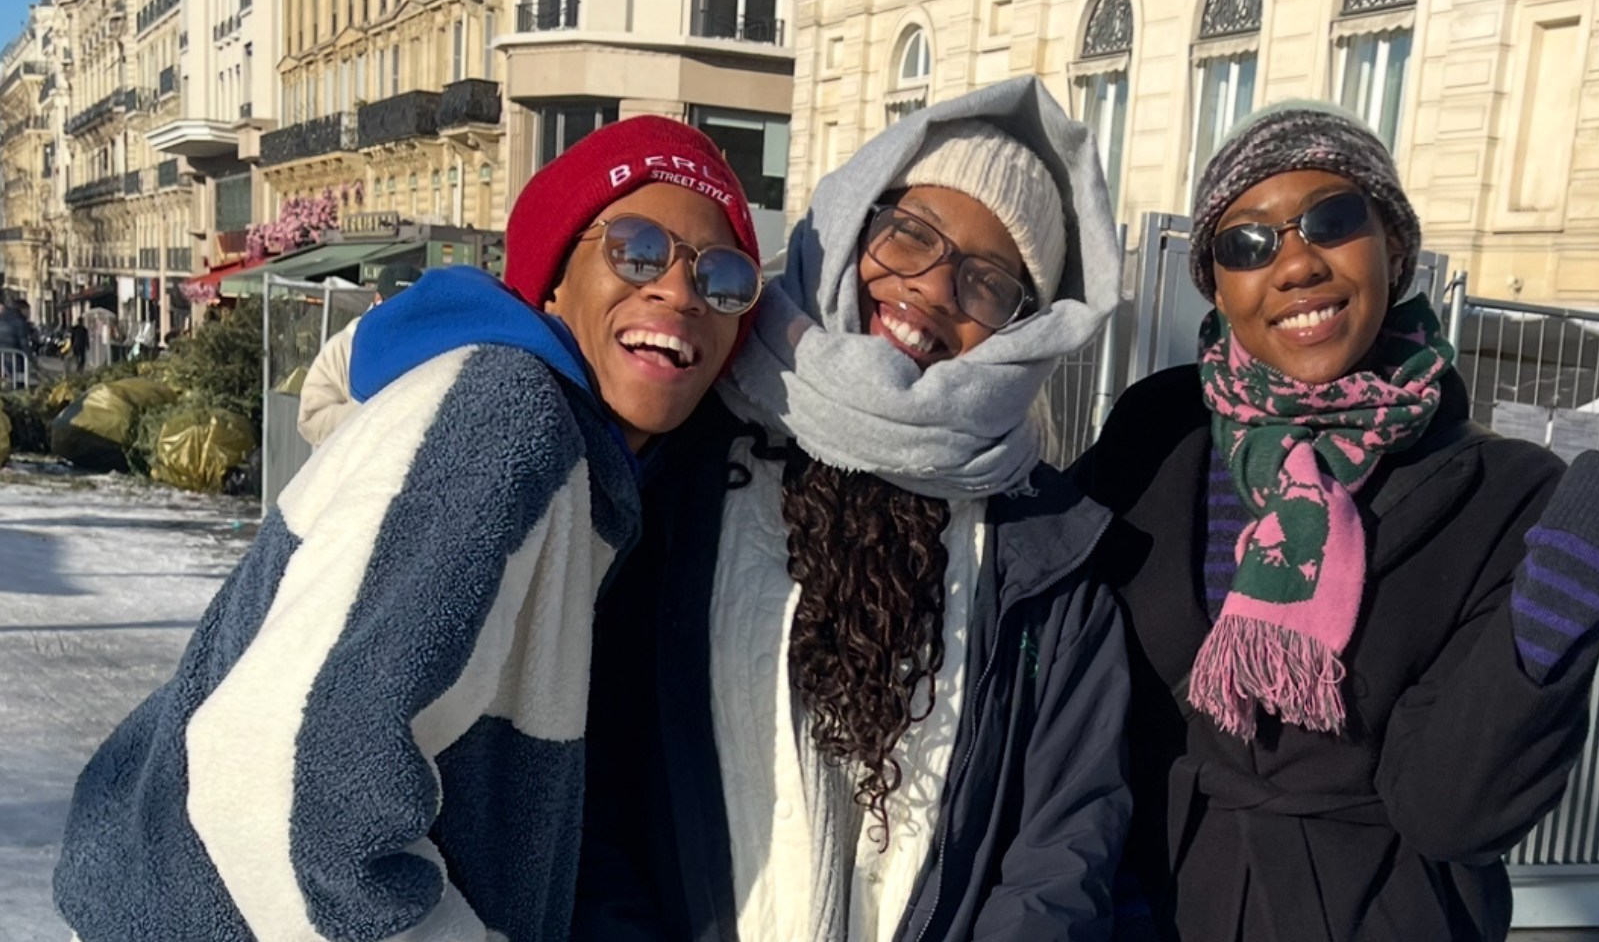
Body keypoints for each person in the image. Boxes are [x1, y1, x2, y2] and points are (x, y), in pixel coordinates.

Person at [52, 117, 764, 942]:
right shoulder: (507, 416)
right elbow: (282, 782)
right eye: (637, 250)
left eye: (724, 279)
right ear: (553, 279)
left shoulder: (590, 485)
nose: (679, 291)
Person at [1072, 100, 1599, 942]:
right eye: (1247, 243)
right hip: (1143, 908)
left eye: (1330, 220)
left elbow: (1453, 813)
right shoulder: (1159, 432)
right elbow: (1035, 616)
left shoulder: (1505, 491)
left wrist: (1573, 578)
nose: (1294, 264)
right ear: (1216, 284)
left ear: (1393, 247)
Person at [574, 75, 1132, 942]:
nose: (935, 290)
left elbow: (1065, 842)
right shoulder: (686, 457)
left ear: (1026, 332)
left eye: (990, 284)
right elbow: (591, 762)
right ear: (856, 222)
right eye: (910, 234)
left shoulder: (1049, 550)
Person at [297, 261, 427, 445]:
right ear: (377, 300)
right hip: (352, 468)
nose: (401, 316)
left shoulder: (429, 347)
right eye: (395, 306)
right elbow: (311, 421)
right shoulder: (343, 347)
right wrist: (369, 412)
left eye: (411, 308)